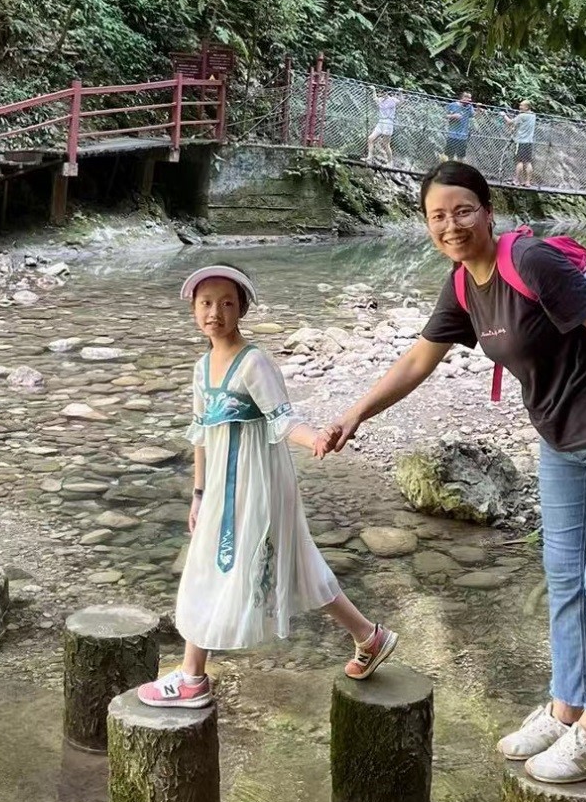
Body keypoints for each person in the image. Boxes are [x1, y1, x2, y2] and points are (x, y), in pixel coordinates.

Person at [318, 163, 586, 785]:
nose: (451, 225)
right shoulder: (463, 285)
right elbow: (417, 360)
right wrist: (356, 413)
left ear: (489, 213)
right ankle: (566, 709)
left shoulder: (531, 262)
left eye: (463, 211)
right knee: (564, 577)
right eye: (437, 216)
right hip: (559, 444)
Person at [138, 264, 397, 708]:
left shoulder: (254, 362)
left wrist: (316, 439)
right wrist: (198, 494)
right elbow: (200, 434)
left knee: (208, 567)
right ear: (193, 309)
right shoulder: (201, 368)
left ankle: (192, 679)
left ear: (241, 309)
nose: (215, 312)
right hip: (221, 488)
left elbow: (283, 420)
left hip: (258, 484)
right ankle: (369, 637)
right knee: (296, 564)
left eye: (226, 303)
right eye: (205, 303)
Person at [503, 99, 537, 186]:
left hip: (521, 141)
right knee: (528, 162)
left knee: (519, 161)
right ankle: (527, 182)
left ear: (527, 107)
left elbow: (510, 122)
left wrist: (504, 115)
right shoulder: (533, 115)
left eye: (522, 105)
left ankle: (516, 181)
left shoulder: (522, 116)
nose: (520, 107)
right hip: (529, 142)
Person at [367, 90, 400, 167]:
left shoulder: (392, 100)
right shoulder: (380, 100)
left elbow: (401, 102)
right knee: (370, 139)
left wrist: (400, 92)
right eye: (381, 92)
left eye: (385, 92)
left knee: (386, 144)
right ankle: (369, 157)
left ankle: (390, 162)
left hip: (388, 122)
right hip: (381, 122)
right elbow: (375, 98)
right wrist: (373, 90)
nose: (383, 94)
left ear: (387, 93)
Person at [444, 89, 476, 160]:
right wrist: (453, 116)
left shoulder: (469, 107)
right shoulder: (452, 105)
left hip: (463, 136)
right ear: (463, 98)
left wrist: (479, 110)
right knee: (450, 155)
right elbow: (444, 115)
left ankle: (459, 166)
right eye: (468, 98)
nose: (470, 100)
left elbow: (474, 115)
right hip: (452, 134)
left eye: (470, 98)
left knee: (460, 156)